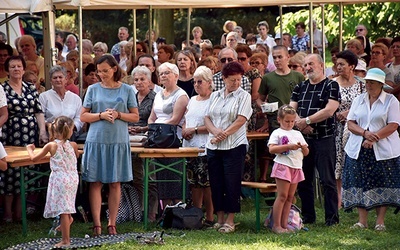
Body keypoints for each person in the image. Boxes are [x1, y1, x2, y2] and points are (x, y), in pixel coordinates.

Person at [80, 54, 139, 236]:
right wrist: (100, 116)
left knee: (115, 183)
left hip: (117, 141)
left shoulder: (128, 90)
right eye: (99, 72)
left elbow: (135, 116)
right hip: (96, 141)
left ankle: (112, 223)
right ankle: (97, 223)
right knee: (95, 182)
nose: (102, 74)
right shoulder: (92, 89)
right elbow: (83, 116)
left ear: (114, 69)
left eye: (105, 71)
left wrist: (118, 115)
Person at [342, 68, 400, 231]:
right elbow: (351, 122)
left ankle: (380, 221)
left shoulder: (391, 101)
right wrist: (365, 134)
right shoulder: (359, 100)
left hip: (383, 149)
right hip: (358, 148)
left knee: (383, 182)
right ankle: (362, 221)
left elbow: (393, 125)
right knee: (360, 182)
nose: (368, 85)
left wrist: (374, 138)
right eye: (367, 81)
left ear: (381, 84)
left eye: (372, 82)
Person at [290, 53, 340, 226]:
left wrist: (307, 120)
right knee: (304, 180)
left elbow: (329, 110)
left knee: (327, 181)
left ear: (320, 65)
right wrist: (301, 124)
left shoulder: (331, 85)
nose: (307, 67)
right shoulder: (299, 87)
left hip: (324, 139)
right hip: (304, 140)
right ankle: (308, 216)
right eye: (305, 65)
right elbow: (291, 110)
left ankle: (332, 219)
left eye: (311, 63)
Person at [205, 61, 252, 233]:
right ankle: (220, 218)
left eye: (239, 80)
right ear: (224, 79)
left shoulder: (244, 96)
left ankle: (231, 220)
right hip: (214, 146)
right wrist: (215, 132)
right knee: (216, 182)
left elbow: (241, 119)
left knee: (232, 183)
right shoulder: (215, 95)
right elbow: (207, 118)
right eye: (233, 80)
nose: (236, 83)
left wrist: (223, 134)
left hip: (234, 145)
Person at [1, 55, 47, 222]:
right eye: (12, 67)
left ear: (23, 68)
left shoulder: (30, 88)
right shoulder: (3, 88)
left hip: (30, 133)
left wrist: (42, 131)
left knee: (26, 172)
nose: (16, 69)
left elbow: (38, 111)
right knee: (10, 173)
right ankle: (7, 213)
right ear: (7, 70)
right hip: (10, 133)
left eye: (19, 66)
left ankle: (20, 213)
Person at [26, 116, 79, 247]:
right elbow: (76, 156)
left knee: (63, 210)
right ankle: (69, 219)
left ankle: (65, 240)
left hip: (60, 179)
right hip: (72, 178)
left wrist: (29, 149)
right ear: (70, 131)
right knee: (67, 205)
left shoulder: (51, 145)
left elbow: (34, 159)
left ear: (54, 130)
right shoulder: (73, 145)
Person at [257, 45, 304, 182]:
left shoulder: (298, 76)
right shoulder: (268, 78)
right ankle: (279, 183)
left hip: (294, 120)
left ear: (287, 57)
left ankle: (294, 185)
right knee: (279, 152)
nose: (277, 60)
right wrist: (264, 106)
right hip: (275, 121)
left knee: (295, 152)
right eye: (274, 57)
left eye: (280, 57)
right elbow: (259, 99)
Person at [148, 62, 189, 206]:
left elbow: (175, 119)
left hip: (172, 139)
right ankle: (164, 210)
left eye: (167, 73)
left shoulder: (181, 95)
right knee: (161, 176)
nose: (163, 76)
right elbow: (152, 116)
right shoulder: (158, 94)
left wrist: (155, 128)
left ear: (176, 75)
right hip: (158, 139)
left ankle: (178, 208)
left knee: (174, 175)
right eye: (161, 73)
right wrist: (150, 128)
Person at [182, 66, 215, 228]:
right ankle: (196, 215)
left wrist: (194, 130)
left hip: (205, 146)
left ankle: (210, 216)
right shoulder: (192, 100)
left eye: (199, 81)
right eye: (194, 82)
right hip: (190, 146)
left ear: (209, 82)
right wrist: (185, 130)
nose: (196, 85)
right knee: (193, 183)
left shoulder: (214, 99)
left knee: (206, 184)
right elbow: (186, 119)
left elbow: (214, 125)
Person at [268, 105, 309, 233]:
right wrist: (288, 147)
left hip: (296, 167)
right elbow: (272, 149)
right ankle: (276, 225)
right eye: (287, 121)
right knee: (282, 195)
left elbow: (306, 152)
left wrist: (302, 147)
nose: (290, 124)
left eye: (292, 121)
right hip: (283, 166)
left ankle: (285, 225)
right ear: (279, 119)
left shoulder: (297, 133)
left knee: (290, 197)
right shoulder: (277, 133)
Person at [332, 50, 365, 208]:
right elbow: (326, 105)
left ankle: (355, 197)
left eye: (342, 64)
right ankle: (339, 198)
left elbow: (366, 106)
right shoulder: (332, 84)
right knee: (338, 162)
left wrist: (349, 113)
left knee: (353, 162)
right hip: (336, 128)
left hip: (355, 129)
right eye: (337, 64)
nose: (338, 67)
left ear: (352, 66)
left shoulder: (361, 85)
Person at [128, 66, 158, 222]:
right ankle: (139, 210)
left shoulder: (155, 98)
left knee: (150, 177)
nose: (139, 82)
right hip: (131, 140)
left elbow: (156, 120)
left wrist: (142, 128)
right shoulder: (131, 96)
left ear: (149, 80)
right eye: (136, 80)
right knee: (137, 177)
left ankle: (152, 213)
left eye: (142, 79)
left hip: (147, 139)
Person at [39, 65, 84, 139]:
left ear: (66, 79)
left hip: (71, 135)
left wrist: (72, 127)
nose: (58, 80)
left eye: (60, 77)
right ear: (50, 81)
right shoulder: (44, 96)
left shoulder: (75, 98)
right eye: (55, 78)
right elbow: (41, 117)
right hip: (51, 135)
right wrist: (49, 125)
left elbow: (79, 118)